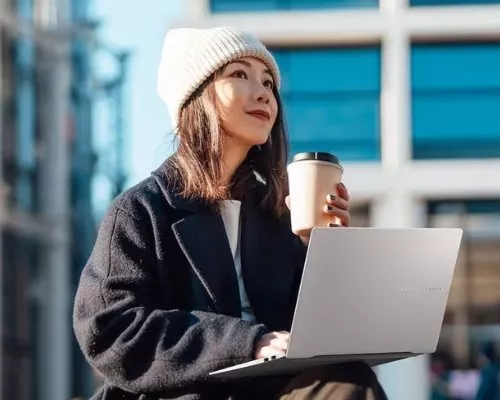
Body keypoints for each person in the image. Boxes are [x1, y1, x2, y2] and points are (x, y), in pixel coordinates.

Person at [73, 26, 388, 400]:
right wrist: (247, 342)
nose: (263, 93)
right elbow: (110, 329)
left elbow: (319, 337)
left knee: (350, 380)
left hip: (271, 387)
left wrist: (324, 252)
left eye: (269, 83)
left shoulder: (276, 214)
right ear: (197, 98)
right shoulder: (141, 210)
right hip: (187, 393)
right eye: (239, 74)